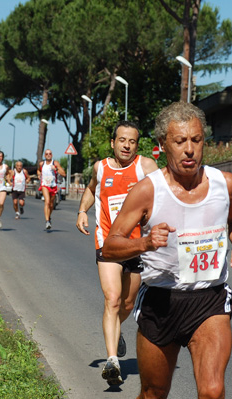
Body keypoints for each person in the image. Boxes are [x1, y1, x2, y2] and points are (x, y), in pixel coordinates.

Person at [103, 102, 232, 398]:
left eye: (196, 140)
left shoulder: (226, 184)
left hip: (209, 298)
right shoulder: (147, 190)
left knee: (212, 391)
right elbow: (110, 247)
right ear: (162, 144)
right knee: (154, 393)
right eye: (180, 141)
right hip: (161, 300)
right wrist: (144, 243)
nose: (189, 149)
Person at [76, 121, 158, 385]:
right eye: (122, 140)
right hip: (108, 244)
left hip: (136, 246)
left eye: (132, 141)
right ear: (113, 142)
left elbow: (164, 193)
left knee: (127, 304)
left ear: (137, 144)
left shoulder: (145, 167)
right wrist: (81, 211)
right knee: (112, 299)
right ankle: (112, 362)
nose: (127, 145)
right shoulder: (101, 168)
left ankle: (117, 328)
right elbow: (90, 189)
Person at [37, 149, 66, 230]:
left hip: (53, 186)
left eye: (50, 154)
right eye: (47, 154)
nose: (48, 155)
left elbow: (63, 173)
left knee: (51, 205)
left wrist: (56, 169)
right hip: (44, 185)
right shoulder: (42, 164)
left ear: (52, 155)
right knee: (47, 201)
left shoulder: (55, 163)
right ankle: (47, 221)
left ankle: (49, 217)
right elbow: (38, 171)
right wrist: (39, 175)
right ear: (44, 155)